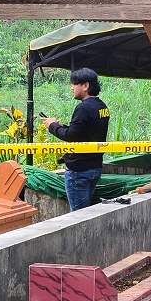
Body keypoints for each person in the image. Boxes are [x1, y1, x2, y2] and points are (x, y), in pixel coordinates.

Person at [43, 68, 110, 211]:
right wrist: (61, 126)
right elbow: (84, 133)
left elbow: (71, 136)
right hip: (95, 167)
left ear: (85, 86)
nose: (71, 87)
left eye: (74, 83)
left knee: (79, 215)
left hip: (79, 171)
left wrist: (52, 126)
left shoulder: (83, 108)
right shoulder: (102, 106)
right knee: (87, 212)